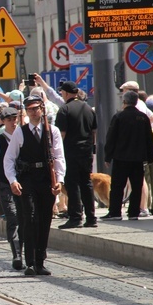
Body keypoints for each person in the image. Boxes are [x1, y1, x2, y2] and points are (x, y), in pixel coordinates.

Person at [4, 95, 65, 276]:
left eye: (36, 108)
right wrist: (13, 180)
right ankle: (29, 261)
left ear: (42, 109)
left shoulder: (52, 131)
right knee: (29, 218)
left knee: (45, 219)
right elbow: (9, 159)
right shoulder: (20, 132)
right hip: (28, 178)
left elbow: (59, 157)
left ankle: (40, 261)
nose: (33, 112)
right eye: (29, 109)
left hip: (46, 178)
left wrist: (59, 180)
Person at [103, 90, 153, 221]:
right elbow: (149, 138)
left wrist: (108, 156)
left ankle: (115, 212)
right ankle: (134, 212)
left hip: (121, 157)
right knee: (137, 186)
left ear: (124, 102)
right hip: (138, 158)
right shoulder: (143, 117)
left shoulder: (119, 117)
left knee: (117, 186)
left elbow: (111, 137)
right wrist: (150, 157)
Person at [55, 81, 98, 229]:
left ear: (66, 93)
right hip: (86, 151)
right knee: (86, 183)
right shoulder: (88, 108)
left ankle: (75, 217)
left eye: (62, 92)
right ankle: (91, 218)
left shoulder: (64, 110)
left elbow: (62, 134)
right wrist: (91, 148)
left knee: (72, 184)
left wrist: (56, 153)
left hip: (70, 151)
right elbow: (94, 132)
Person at [0, 107, 24, 270]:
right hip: (4, 185)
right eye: (9, 120)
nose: (13, 123)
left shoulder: (24, 136)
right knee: (13, 217)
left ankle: (28, 251)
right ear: (2, 121)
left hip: (24, 184)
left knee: (26, 217)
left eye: (15, 119)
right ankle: (17, 254)